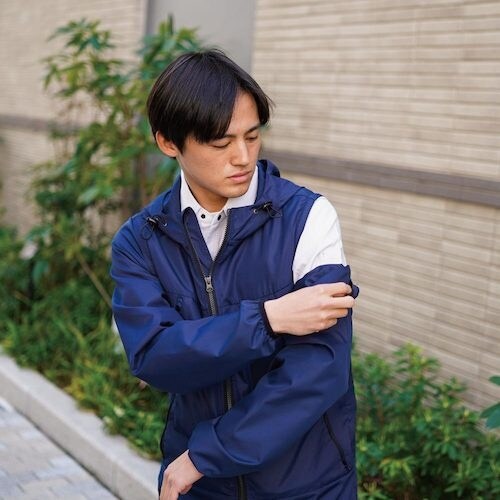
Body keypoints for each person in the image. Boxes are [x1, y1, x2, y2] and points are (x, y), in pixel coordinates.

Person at [111, 49, 359, 500]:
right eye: (220, 143)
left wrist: (207, 455)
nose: (242, 157)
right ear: (168, 142)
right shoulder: (140, 241)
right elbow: (155, 358)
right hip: (202, 489)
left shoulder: (308, 218)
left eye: (252, 135)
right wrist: (266, 320)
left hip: (306, 484)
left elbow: (319, 369)